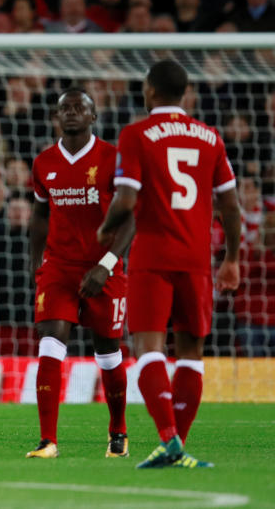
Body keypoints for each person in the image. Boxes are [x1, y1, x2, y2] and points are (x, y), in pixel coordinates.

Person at [98, 59, 241, 469]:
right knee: (192, 353)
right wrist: (230, 258)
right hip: (197, 258)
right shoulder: (210, 137)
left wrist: (105, 229)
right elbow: (229, 206)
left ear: (150, 91)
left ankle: (168, 439)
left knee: (148, 348)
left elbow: (125, 199)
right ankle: (179, 445)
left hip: (153, 256)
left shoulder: (136, 134)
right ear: (185, 94)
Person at [26, 88, 134, 460]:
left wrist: (105, 266)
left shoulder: (113, 158)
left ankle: (118, 431)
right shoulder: (44, 162)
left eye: (79, 108)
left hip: (103, 267)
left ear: (93, 116)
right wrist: (35, 263)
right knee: (51, 340)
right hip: (58, 266)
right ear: (57, 117)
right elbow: (40, 215)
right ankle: (47, 440)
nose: (71, 113)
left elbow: (132, 217)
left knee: (107, 352)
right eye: (64, 109)